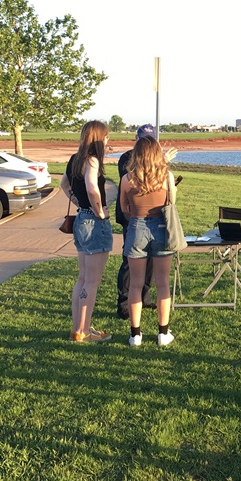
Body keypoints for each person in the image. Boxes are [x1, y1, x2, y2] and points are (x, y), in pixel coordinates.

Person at [118, 135, 178, 346]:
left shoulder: (126, 179)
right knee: (162, 283)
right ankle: (163, 332)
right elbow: (172, 201)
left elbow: (124, 208)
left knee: (135, 284)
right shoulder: (166, 177)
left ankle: (135, 334)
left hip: (137, 227)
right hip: (162, 227)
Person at [60, 120, 113, 343]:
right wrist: (99, 211)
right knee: (92, 281)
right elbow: (92, 188)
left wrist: (77, 201)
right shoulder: (92, 160)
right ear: (100, 138)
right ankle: (84, 331)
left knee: (82, 278)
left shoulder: (75, 160)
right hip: (93, 222)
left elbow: (64, 184)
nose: (108, 141)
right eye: (107, 137)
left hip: (81, 219)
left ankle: (78, 329)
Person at [115, 124, 161, 319]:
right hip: (132, 217)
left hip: (153, 217)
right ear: (137, 138)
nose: (147, 142)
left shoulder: (157, 162)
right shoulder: (127, 158)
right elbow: (130, 181)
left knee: (150, 260)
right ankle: (124, 303)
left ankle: (145, 297)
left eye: (151, 139)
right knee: (130, 261)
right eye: (144, 138)